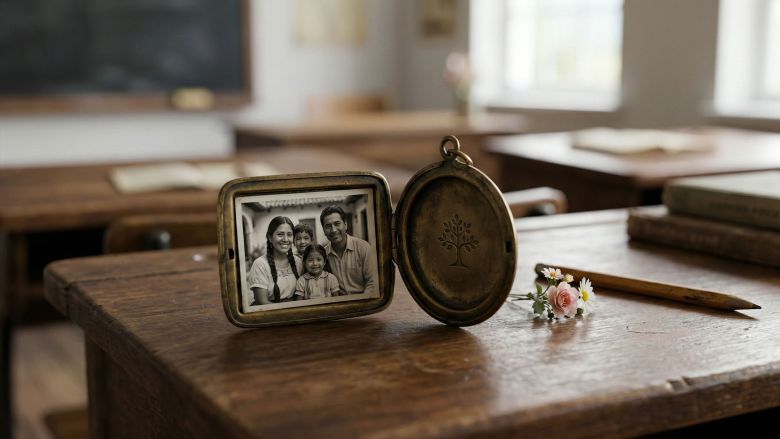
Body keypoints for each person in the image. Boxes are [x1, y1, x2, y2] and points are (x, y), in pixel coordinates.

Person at [320, 206, 377, 296]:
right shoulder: (323, 255)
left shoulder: (363, 247)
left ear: (345, 224)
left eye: (337, 224)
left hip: (363, 301)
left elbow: (372, 283)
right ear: (324, 230)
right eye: (328, 226)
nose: (333, 230)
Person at [247, 216, 302, 305]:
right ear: (270, 237)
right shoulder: (260, 264)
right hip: (272, 314)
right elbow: (262, 302)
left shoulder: (298, 262)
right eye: (280, 234)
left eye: (289, 234)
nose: (285, 239)